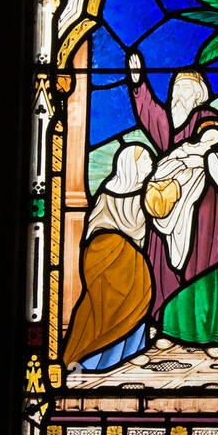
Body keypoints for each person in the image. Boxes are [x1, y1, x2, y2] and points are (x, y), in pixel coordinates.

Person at [128, 54, 218, 349]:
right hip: (167, 209)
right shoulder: (170, 126)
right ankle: (166, 328)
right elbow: (150, 114)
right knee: (162, 265)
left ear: (198, 95)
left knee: (207, 263)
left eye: (184, 91)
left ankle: (209, 333)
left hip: (207, 211)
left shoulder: (203, 118)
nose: (178, 96)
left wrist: (202, 146)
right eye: (176, 91)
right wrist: (138, 81)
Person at [63, 144, 153, 370]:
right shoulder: (107, 192)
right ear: (132, 166)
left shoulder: (145, 193)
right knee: (103, 311)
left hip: (132, 261)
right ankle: (96, 357)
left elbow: (141, 230)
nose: (150, 165)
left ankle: (131, 349)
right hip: (105, 258)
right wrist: (116, 244)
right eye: (145, 161)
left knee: (138, 297)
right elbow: (95, 228)